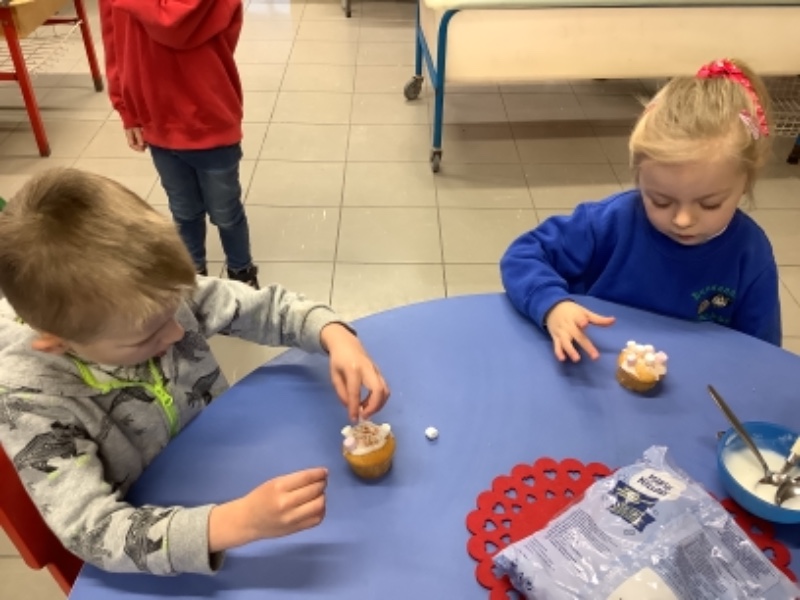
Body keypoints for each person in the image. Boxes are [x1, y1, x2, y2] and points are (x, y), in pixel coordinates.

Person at [0, 168, 390, 574]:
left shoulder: (153, 291)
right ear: (59, 343)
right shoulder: (29, 399)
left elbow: (266, 309)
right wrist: (236, 523)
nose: (177, 332)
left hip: (224, 463)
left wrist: (333, 335)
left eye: (178, 307)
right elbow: (93, 530)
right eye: (148, 337)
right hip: (164, 539)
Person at [501, 58, 781, 362]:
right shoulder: (609, 223)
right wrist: (553, 305)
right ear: (639, 178)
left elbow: (762, 356)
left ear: (745, 183)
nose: (683, 220)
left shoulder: (750, 254)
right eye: (660, 200)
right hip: (595, 366)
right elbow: (523, 255)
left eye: (709, 204)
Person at [99, 0, 260, 288]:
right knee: (205, 212)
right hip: (195, 111)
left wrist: (128, 106)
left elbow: (119, 44)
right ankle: (210, 276)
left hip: (176, 113)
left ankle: (227, 274)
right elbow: (115, 41)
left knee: (205, 212)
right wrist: (127, 109)